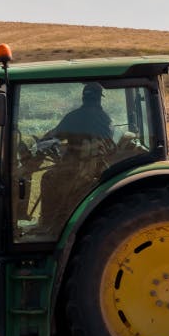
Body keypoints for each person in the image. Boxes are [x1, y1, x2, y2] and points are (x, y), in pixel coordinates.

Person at [34, 82, 115, 235]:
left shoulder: (74, 116)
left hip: (78, 169)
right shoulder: (105, 118)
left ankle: (48, 224)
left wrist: (40, 143)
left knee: (48, 178)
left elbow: (54, 135)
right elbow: (107, 142)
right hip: (100, 168)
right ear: (99, 99)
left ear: (84, 98)